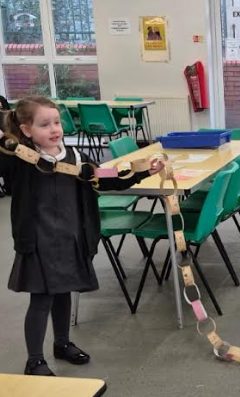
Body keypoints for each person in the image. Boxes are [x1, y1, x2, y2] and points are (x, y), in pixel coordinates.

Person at [0, 96, 164, 376]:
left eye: (56, 122)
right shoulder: (20, 160)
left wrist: (144, 171)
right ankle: (35, 360)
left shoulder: (76, 158)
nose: (54, 129)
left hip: (71, 237)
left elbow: (108, 178)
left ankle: (62, 343)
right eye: (44, 125)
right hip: (39, 241)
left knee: (63, 292)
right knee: (41, 299)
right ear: (26, 130)